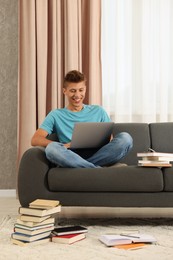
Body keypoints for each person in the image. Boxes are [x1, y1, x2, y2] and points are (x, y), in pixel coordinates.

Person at [31, 70, 133, 168]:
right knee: (51, 149)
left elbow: (109, 139)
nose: (77, 95)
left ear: (85, 89)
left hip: (98, 153)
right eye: (73, 91)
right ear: (64, 91)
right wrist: (62, 145)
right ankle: (94, 168)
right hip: (70, 155)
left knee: (126, 138)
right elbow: (35, 139)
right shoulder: (56, 115)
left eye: (81, 90)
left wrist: (97, 142)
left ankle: (83, 166)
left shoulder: (98, 111)